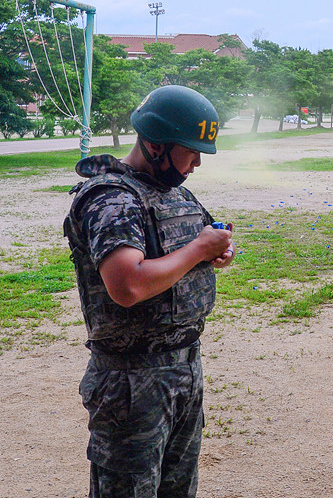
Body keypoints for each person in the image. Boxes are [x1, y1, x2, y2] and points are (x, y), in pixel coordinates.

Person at [64, 85, 235, 498]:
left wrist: (216, 250)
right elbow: (127, 285)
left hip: (181, 370)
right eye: (190, 151)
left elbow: (194, 245)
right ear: (156, 145)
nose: (196, 162)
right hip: (131, 382)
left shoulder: (171, 190)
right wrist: (198, 249)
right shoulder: (111, 198)